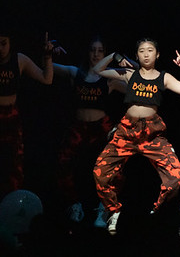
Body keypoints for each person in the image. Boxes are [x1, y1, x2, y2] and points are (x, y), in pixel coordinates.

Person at [92, 38, 180, 233]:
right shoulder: (130, 74)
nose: (146, 54)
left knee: (175, 176)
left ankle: (157, 214)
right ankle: (113, 212)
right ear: (136, 55)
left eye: (150, 50)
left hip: (152, 134)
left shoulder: (163, 77)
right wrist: (113, 56)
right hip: (127, 131)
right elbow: (97, 70)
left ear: (157, 55)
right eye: (141, 51)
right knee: (100, 173)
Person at [52, 36, 128, 227]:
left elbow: (137, 83)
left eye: (100, 50)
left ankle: (105, 208)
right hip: (78, 127)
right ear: (87, 52)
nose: (95, 54)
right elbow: (48, 67)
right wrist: (49, 51)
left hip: (100, 127)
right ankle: (73, 205)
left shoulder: (109, 78)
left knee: (115, 167)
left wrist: (122, 59)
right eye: (92, 50)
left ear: (105, 53)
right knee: (62, 163)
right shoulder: (75, 73)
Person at [0, 31, 57, 196]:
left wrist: (47, 56)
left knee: (14, 163)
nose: (0, 48)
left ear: (10, 43)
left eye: (3, 43)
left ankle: (12, 204)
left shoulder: (19, 60)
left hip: (11, 116)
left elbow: (47, 79)